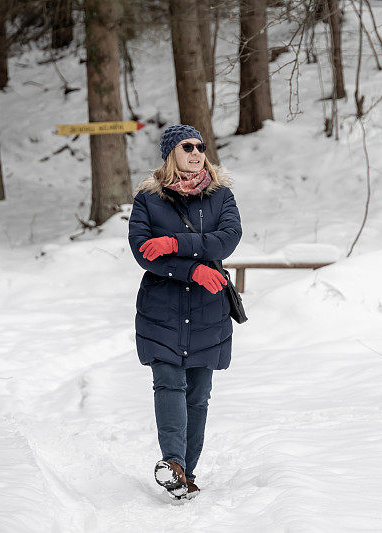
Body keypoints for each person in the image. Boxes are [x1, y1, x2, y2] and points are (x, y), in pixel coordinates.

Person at [128, 124, 242, 500]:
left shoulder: (221, 194)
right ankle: (173, 462)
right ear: (170, 154)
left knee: (198, 394)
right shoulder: (149, 199)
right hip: (162, 307)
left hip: (208, 308)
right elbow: (143, 252)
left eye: (200, 146)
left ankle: (186, 473)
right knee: (168, 383)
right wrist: (191, 267)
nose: (196, 152)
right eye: (186, 146)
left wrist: (175, 242)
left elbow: (228, 238)